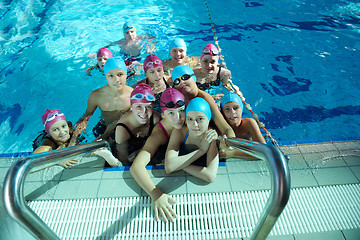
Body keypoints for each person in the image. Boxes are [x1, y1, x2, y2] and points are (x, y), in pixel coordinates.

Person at [130, 88, 186, 223]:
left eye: (181, 111)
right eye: (171, 113)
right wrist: (155, 193)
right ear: (163, 115)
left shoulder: (191, 119)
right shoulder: (159, 133)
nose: (178, 118)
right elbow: (136, 167)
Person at [33, 109, 121, 168]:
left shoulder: (70, 129)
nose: (62, 132)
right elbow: (31, 162)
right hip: (51, 144)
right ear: (49, 132)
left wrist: (75, 136)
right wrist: (58, 160)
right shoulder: (47, 144)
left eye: (63, 126)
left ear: (67, 124)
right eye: (55, 129)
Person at [75, 57, 133, 139]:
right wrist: (80, 127)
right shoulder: (96, 95)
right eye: (111, 76)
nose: (116, 79)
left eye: (120, 74)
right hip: (103, 127)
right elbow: (88, 114)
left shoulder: (133, 95)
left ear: (126, 75)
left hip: (125, 128)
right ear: (106, 77)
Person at [171, 65, 236, 139]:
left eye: (185, 77)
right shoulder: (179, 101)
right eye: (177, 81)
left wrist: (228, 144)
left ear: (194, 77)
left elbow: (226, 128)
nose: (182, 82)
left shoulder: (206, 98)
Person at [165, 97, 219, 182]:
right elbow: (169, 167)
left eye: (200, 119)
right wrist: (201, 151)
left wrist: (179, 164)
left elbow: (210, 176)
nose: (195, 124)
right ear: (186, 120)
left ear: (208, 119)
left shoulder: (210, 137)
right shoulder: (180, 132)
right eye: (190, 119)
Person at [114, 83, 161, 166]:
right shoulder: (122, 129)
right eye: (139, 106)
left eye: (148, 107)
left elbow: (159, 141)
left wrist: (140, 151)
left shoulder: (155, 117)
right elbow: (123, 160)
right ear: (131, 107)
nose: (144, 112)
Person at [219, 92, 266, 158]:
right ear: (222, 112)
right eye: (227, 109)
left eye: (236, 108)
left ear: (241, 109)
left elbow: (264, 151)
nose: (232, 112)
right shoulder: (220, 127)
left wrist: (233, 153)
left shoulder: (249, 123)